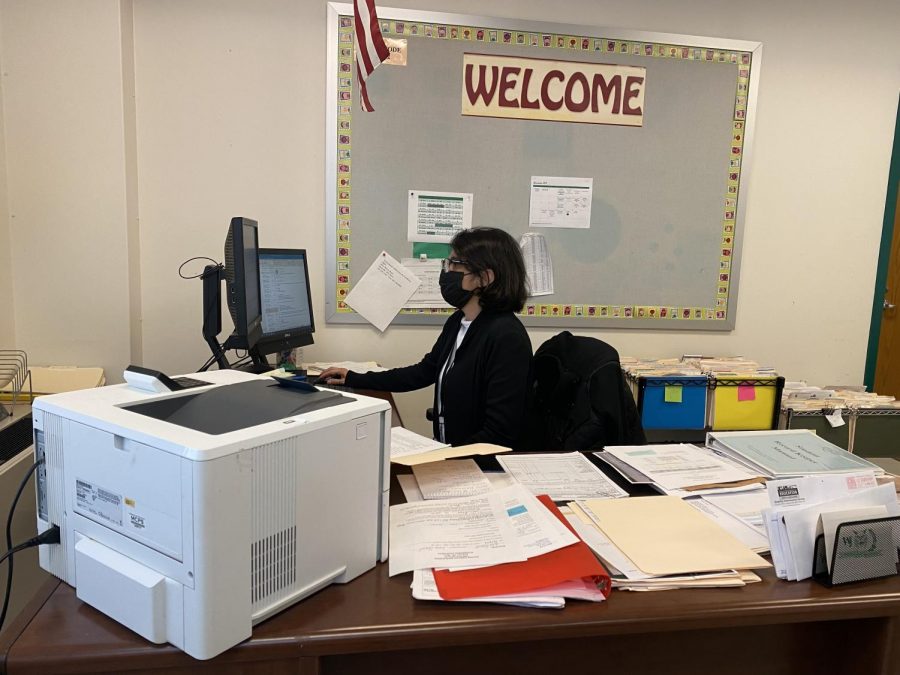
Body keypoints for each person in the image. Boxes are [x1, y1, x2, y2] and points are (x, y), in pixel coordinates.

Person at [318, 227, 532, 448]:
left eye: (455, 265)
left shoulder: (507, 338)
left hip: (476, 465)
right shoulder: (459, 321)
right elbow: (424, 371)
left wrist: (441, 459)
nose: (447, 272)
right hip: (448, 450)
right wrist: (355, 378)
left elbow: (499, 434)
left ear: (485, 278)